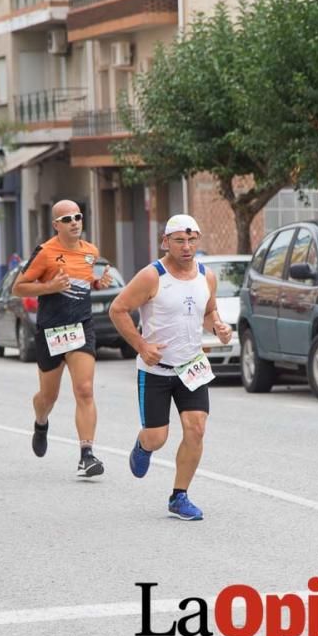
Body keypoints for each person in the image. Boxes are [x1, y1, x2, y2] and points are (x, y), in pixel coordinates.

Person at [109, 215, 233, 521]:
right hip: (156, 370)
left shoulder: (207, 275)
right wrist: (141, 346)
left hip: (191, 366)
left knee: (197, 428)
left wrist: (217, 325)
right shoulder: (153, 276)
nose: (186, 246)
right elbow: (118, 309)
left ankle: (179, 496)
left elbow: (207, 311)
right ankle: (143, 446)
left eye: (192, 240)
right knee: (157, 437)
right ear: (166, 242)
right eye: (179, 240)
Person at [12, 200, 113, 476]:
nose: (74, 223)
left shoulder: (91, 252)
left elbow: (83, 279)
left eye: (78, 217)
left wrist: (96, 283)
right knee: (48, 395)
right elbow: (17, 288)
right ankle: (41, 421)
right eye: (67, 219)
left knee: (85, 389)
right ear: (56, 225)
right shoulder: (44, 252)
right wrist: (49, 287)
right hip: (52, 331)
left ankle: (87, 454)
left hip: (81, 328)